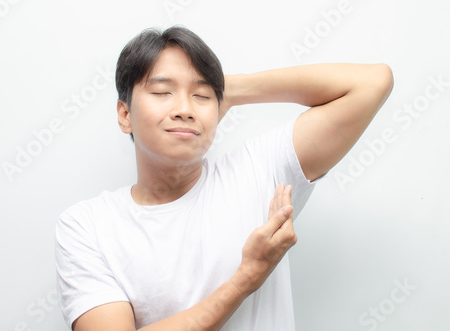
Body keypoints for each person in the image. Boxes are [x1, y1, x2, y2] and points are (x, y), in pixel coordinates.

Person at [55, 26, 393, 331]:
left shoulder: (261, 169)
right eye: (162, 92)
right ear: (125, 114)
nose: (184, 108)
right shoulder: (87, 226)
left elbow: (373, 82)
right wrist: (247, 276)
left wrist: (232, 88)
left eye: (201, 97)